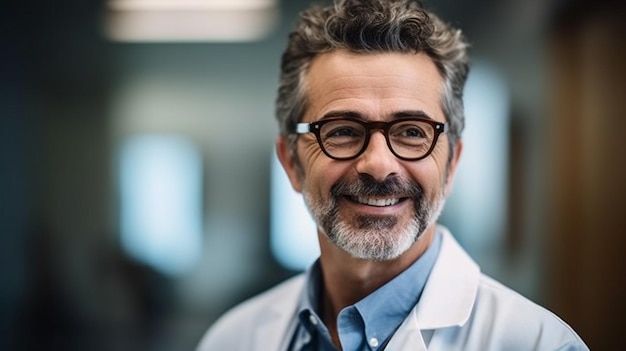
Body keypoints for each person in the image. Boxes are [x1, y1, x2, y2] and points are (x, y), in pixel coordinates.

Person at [197, 0, 589, 350]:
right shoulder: (232, 339)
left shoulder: (540, 344)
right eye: (343, 131)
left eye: (412, 133)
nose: (379, 164)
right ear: (291, 162)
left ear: (451, 165)